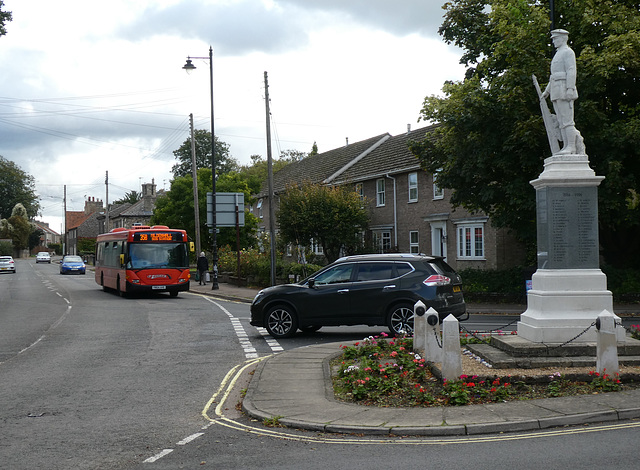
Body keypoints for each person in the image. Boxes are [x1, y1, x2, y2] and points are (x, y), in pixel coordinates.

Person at [541, 29, 582, 155]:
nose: (553, 41)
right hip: (556, 90)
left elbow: (571, 71)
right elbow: (553, 76)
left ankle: (572, 147)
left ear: (563, 38)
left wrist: (570, 88)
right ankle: (566, 146)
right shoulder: (558, 54)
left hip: (564, 88)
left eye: (555, 39)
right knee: (560, 121)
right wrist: (546, 91)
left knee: (567, 120)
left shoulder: (568, 52)